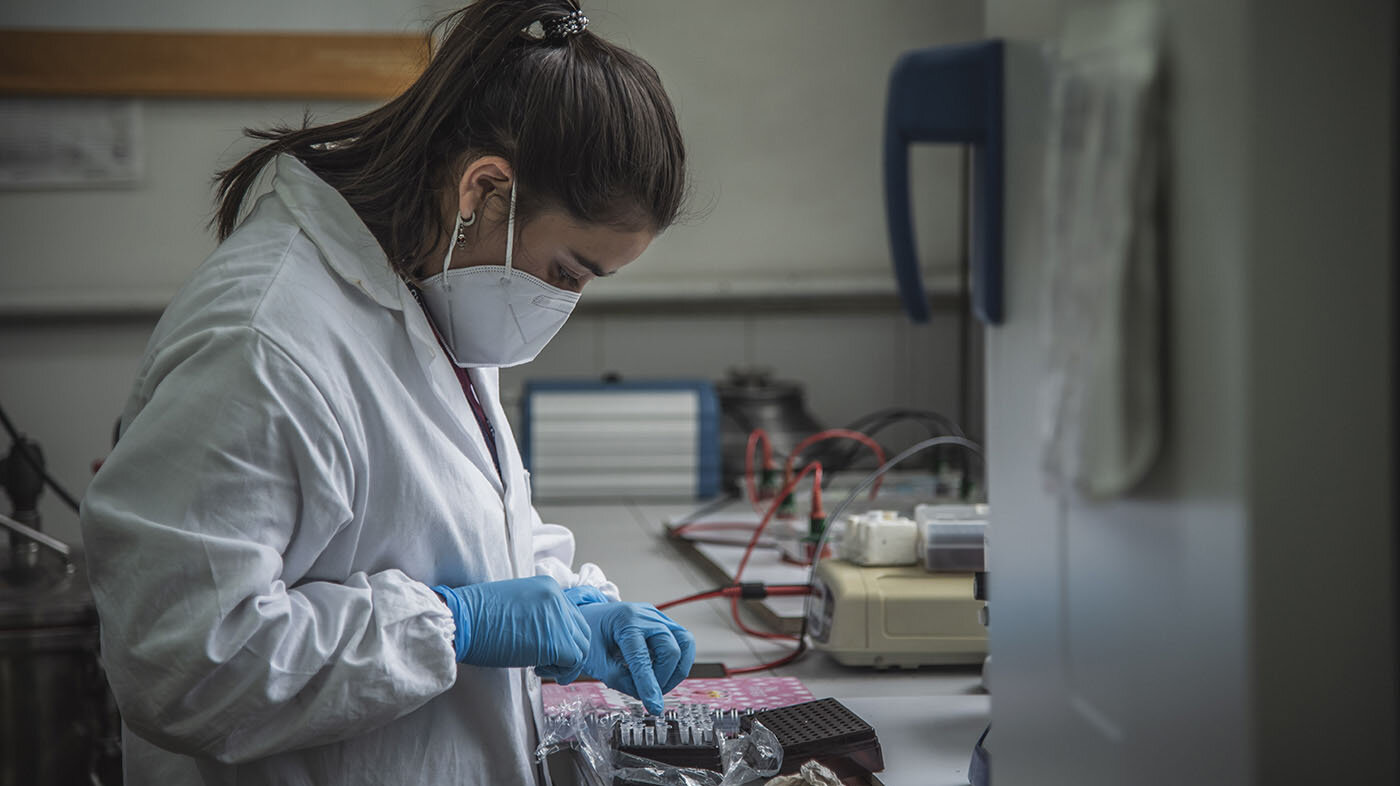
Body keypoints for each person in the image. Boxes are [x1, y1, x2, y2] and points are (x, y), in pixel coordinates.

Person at [78, 2, 696, 783]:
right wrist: (452, 626)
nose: (565, 301)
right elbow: (186, 666)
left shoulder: (432, 286)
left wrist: (575, 605)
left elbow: (439, 528)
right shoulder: (261, 342)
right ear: (483, 191)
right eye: (568, 271)